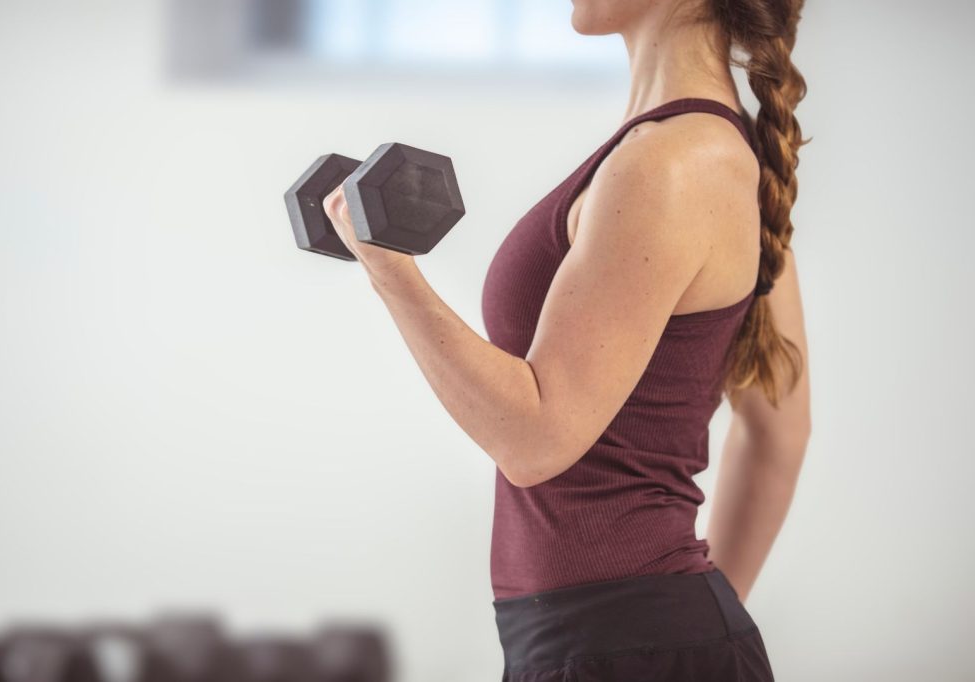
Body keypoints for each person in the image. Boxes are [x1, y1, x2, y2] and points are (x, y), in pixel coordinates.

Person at [322, 0, 810, 679]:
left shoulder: (668, 163)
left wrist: (389, 272)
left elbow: (535, 441)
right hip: (617, 643)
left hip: (615, 644)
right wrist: (686, 629)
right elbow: (778, 437)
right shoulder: (708, 156)